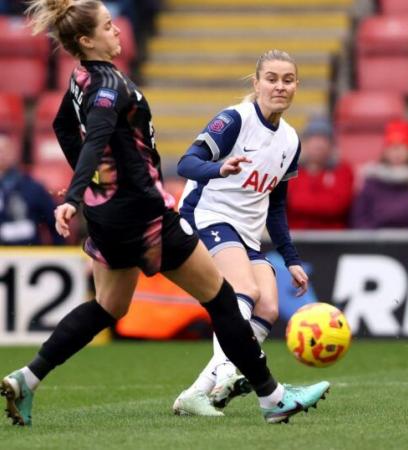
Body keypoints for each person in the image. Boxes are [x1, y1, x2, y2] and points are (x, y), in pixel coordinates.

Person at [1, 0, 329, 427]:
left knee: (108, 307)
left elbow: (65, 126)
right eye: (106, 25)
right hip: (143, 213)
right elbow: (98, 133)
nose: (118, 29)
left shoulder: (80, 77)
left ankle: (28, 378)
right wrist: (74, 195)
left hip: (108, 215)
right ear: (86, 40)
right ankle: (273, 398)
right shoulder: (108, 87)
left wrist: (94, 187)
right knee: (224, 299)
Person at [172, 49, 312, 416]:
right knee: (245, 289)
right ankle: (224, 371)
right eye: (271, 79)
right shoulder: (235, 119)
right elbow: (186, 163)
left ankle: (197, 393)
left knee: (268, 306)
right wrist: (219, 169)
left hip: (247, 233)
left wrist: (292, 259)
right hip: (207, 215)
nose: (279, 86)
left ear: (296, 85)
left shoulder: (290, 141)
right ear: (256, 83)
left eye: (287, 80)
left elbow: (277, 205)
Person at [287, 117, 354, 229]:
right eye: (313, 139)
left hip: (334, 240)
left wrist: (301, 204)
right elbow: (291, 202)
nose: (318, 144)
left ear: (332, 145)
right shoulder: (289, 170)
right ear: (304, 143)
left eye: (323, 139)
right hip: (295, 238)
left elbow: (336, 206)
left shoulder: (343, 170)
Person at [0, 135, 63, 245]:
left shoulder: (33, 187)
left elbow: (54, 221)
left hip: (30, 253)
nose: (2, 155)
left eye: (5, 150)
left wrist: (58, 254)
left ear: (14, 153)